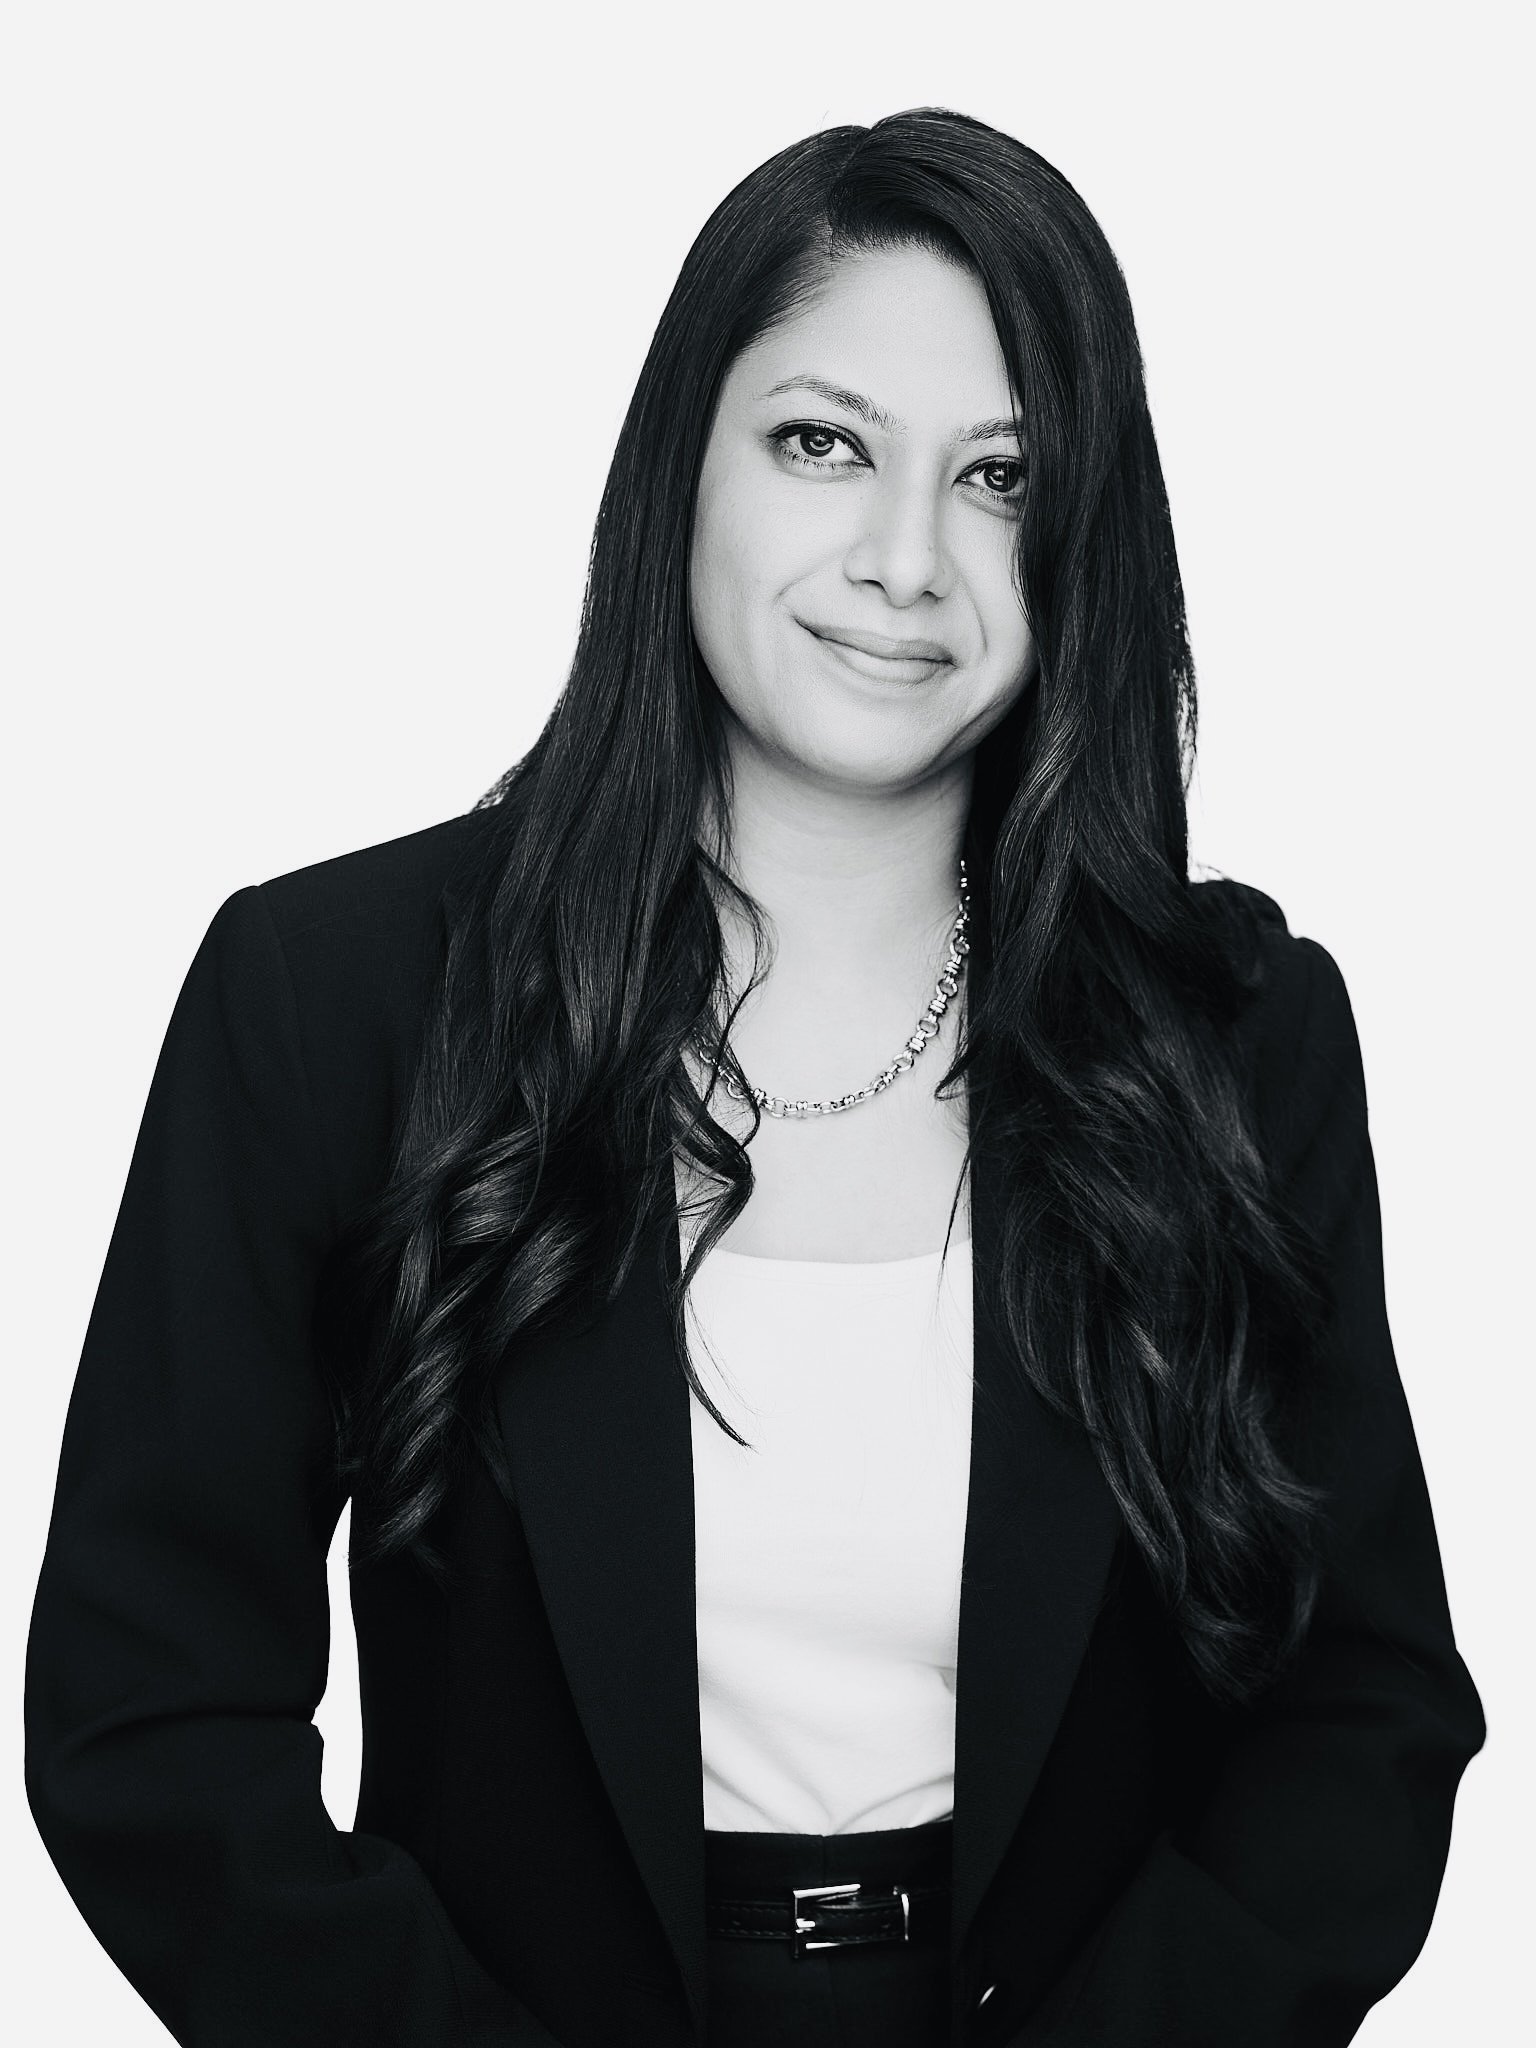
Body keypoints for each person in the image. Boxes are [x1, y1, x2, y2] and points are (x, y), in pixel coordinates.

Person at [23, 107, 1484, 2048]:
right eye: (824, 443)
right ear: (681, 465)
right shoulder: (334, 1000)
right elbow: (149, 1712)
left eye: (999, 478)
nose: (905, 558)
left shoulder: (1235, 1037)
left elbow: (1365, 1704)